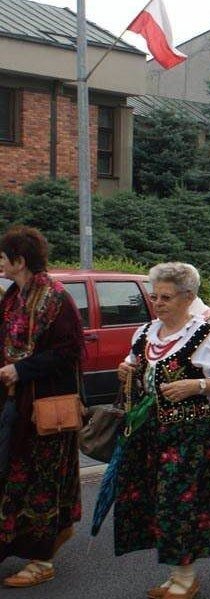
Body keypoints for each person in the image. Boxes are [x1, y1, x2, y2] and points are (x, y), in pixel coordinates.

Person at [115, 262, 210, 599]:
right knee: (157, 500)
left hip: (192, 436)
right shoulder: (145, 333)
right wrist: (126, 370)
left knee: (177, 501)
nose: (158, 303)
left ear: (187, 298)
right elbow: (137, 367)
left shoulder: (207, 337)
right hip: (151, 433)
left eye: (166, 297)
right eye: (154, 296)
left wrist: (196, 385)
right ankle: (176, 574)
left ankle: (185, 578)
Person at [0, 226, 84, 588]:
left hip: (43, 410)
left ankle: (42, 559)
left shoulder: (56, 298)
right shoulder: (12, 295)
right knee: (11, 476)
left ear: (19, 261)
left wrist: (20, 369)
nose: (0, 263)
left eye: (3, 257)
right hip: (13, 404)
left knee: (41, 483)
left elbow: (69, 352)